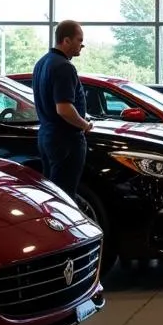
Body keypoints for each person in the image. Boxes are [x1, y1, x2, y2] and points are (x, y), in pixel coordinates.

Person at [31, 20, 93, 200]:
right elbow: (64, 109)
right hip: (66, 140)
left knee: (51, 194)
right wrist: (85, 125)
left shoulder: (42, 63)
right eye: (79, 40)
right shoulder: (64, 67)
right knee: (64, 197)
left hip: (46, 136)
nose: (82, 45)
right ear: (66, 40)